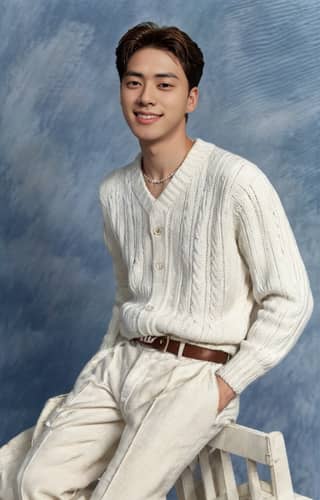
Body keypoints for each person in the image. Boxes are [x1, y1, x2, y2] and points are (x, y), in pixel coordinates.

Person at [3, 21, 313, 499]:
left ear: (191, 98)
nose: (146, 96)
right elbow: (128, 293)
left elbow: (291, 299)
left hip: (195, 378)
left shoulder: (236, 181)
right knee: (32, 482)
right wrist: (104, 362)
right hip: (121, 363)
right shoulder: (114, 192)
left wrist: (225, 385)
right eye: (134, 82)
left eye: (164, 84)